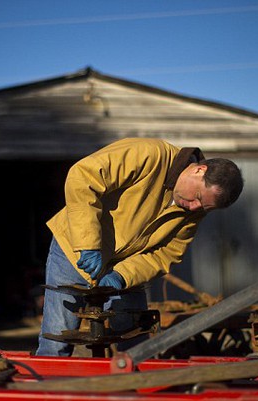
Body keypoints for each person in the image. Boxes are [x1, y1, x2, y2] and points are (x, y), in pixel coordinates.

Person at [36, 137, 243, 356]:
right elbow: (83, 176)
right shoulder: (150, 154)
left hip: (125, 269)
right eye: (198, 197)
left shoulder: (194, 211)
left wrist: (122, 276)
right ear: (199, 170)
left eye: (204, 207)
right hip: (74, 250)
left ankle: (136, 387)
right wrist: (88, 243)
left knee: (137, 346)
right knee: (56, 341)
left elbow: (165, 254)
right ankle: (47, 387)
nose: (194, 207)